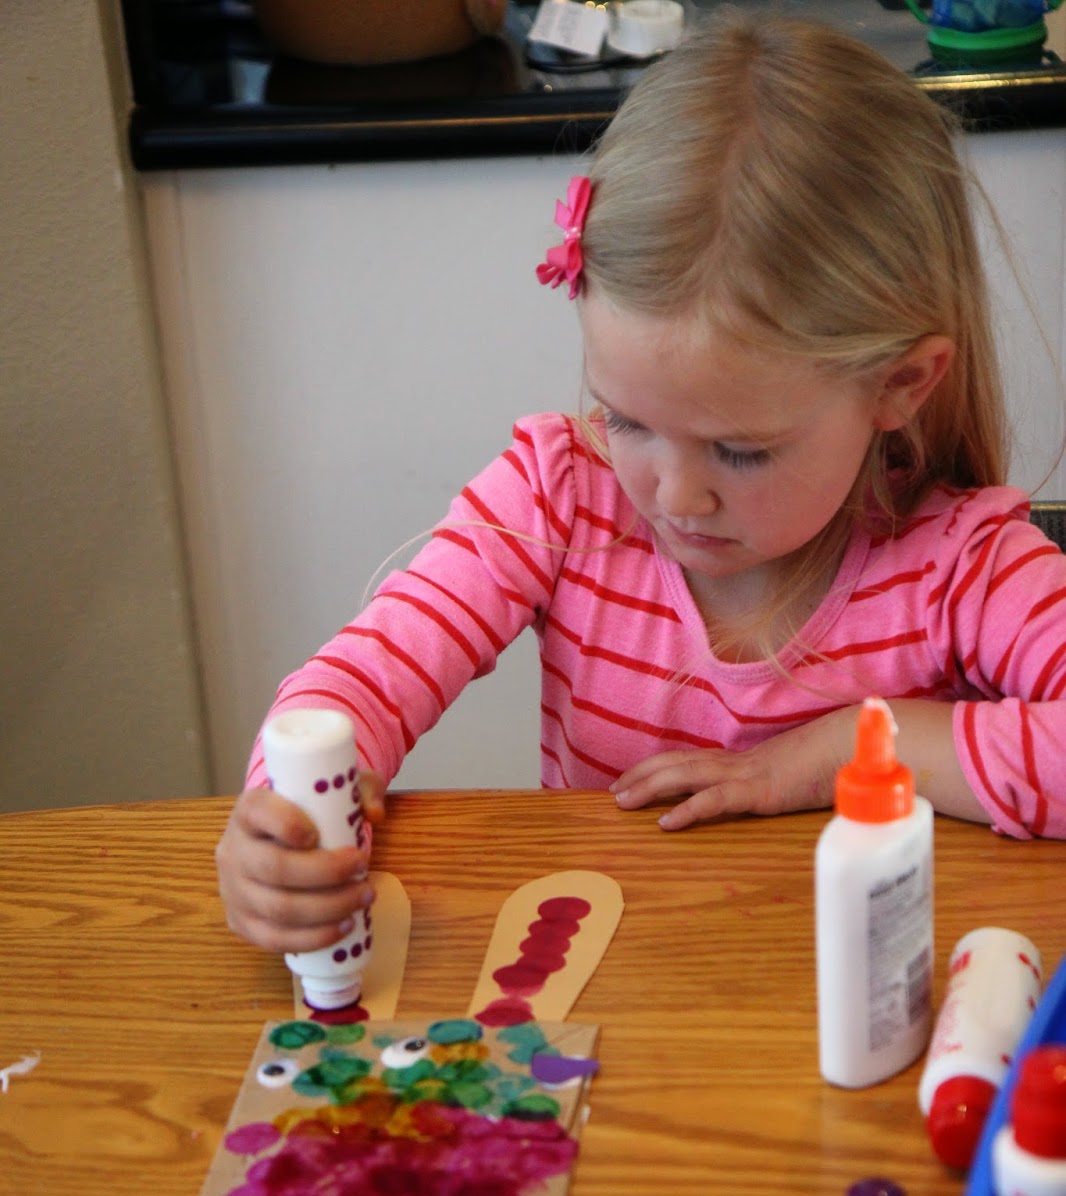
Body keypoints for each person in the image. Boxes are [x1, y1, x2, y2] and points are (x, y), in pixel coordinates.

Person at [216, 10, 1066, 956]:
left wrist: (848, 750)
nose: (674, 497)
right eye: (626, 420)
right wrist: (288, 810)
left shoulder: (962, 568)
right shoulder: (558, 499)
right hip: (607, 1011)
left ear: (900, 386)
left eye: (740, 452)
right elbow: (360, 684)